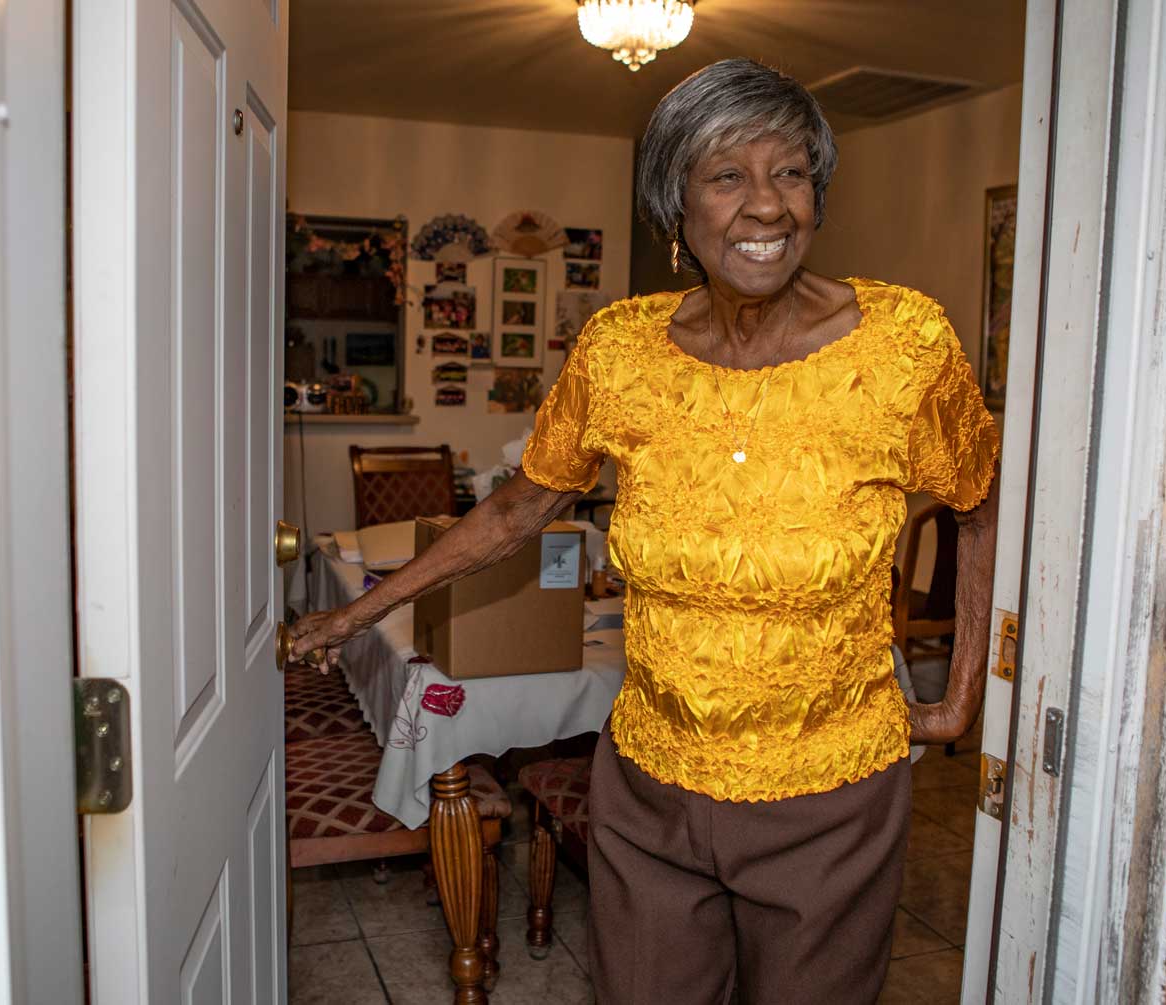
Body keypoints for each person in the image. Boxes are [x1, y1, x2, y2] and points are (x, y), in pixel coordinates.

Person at [291, 57, 1000, 1005]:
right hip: (650, 789)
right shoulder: (619, 350)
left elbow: (976, 501)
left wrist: (960, 696)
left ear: (817, 195)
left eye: (791, 173)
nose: (767, 205)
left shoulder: (904, 344)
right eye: (728, 175)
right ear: (677, 203)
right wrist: (356, 613)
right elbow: (518, 508)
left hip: (831, 801)